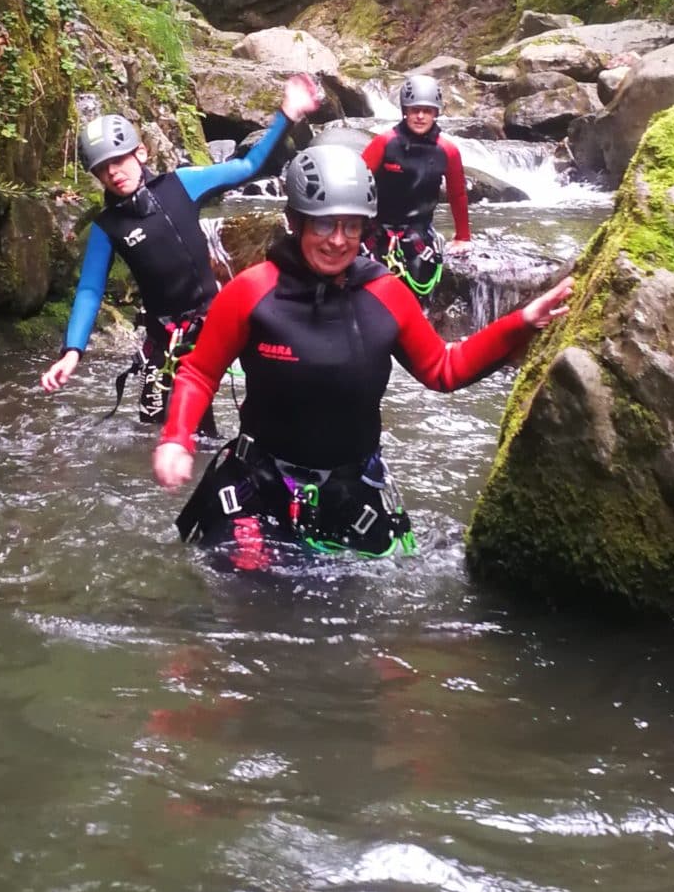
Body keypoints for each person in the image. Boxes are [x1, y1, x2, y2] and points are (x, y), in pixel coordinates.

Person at [151, 140, 570, 561]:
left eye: (351, 227)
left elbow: (443, 369)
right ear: (295, 222)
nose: (338, 241)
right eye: (324, 225)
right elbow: (200, 372)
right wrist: (176, 438)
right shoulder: (252, 291)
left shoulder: (385, 293)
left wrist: (521, 322)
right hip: (260, 483)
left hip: (351, 491)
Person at [40, 72, 324, 424]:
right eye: (102, 169)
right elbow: (89, 290)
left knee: (267, 405)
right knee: (157, 427)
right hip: (165, 339)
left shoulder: (182, 184)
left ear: (140, 152)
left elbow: (248, 166)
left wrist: (287, 114)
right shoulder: (107, 227)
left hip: (215, 323)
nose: (112, 173)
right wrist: (72, 351)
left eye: (118, 161)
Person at [361, 70, 471, 297]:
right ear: (405, 111)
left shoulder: (447, 151)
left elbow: (457, 194)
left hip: (419, 233)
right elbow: (356, 183)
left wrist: (462, 237)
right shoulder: (384, 143)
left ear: (436, 113)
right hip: (378, 230)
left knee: (417, 286)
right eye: (415, 110)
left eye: (427, 111)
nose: (420, 116)